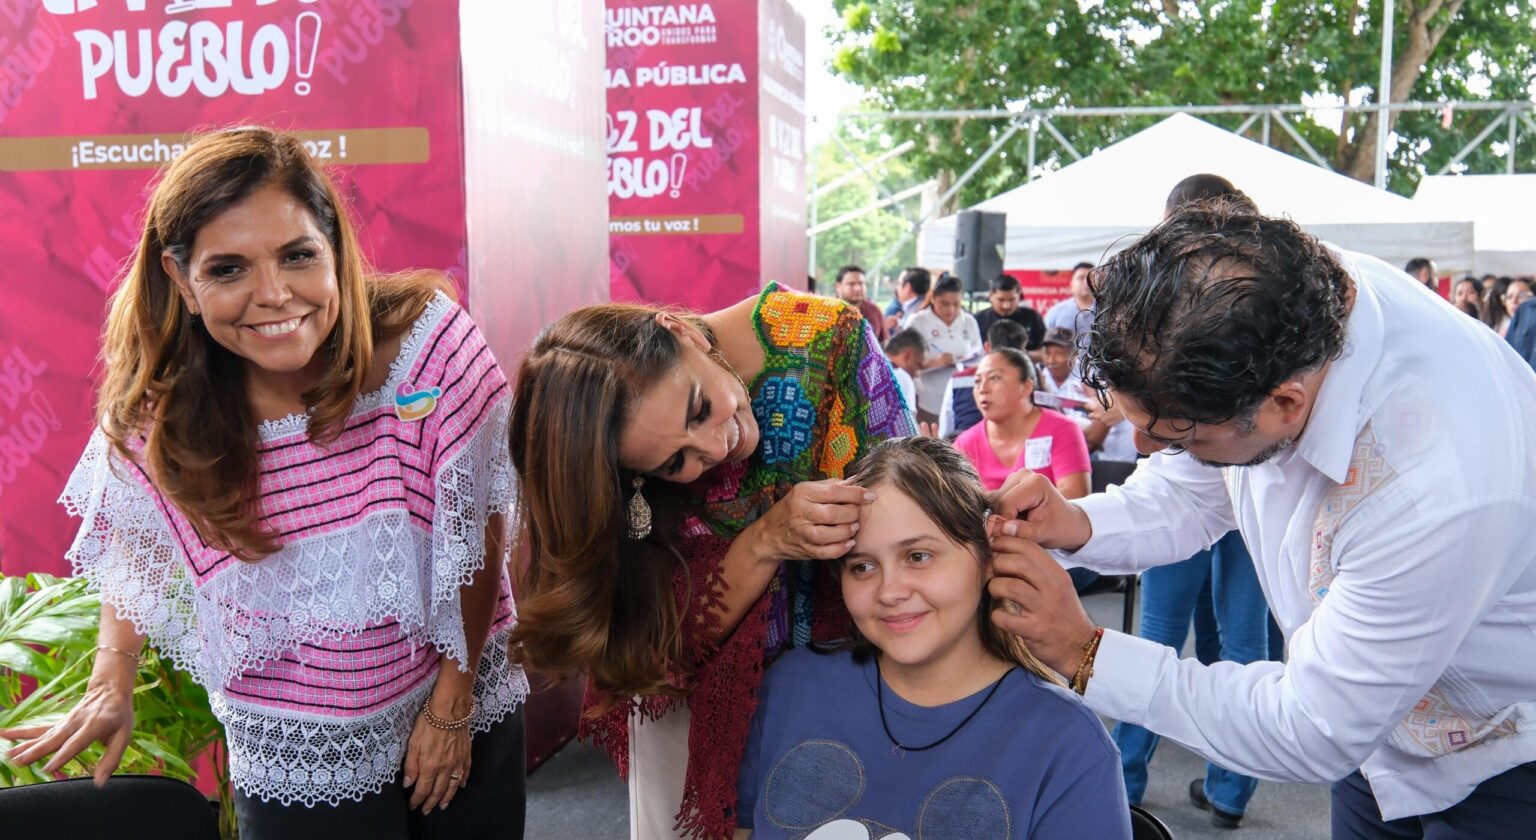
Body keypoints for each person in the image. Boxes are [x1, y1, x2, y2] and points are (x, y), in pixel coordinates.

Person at [0, 128, 529, 838]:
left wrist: (454, 702)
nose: (273, 295)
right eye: (228, 270)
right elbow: (138, 536)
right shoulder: (161, 412)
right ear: (182, 279)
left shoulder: (430, 345)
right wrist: (110, 676)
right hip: (298, 745)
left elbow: (478, 533)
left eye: (297, 255)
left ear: (334, 247)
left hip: (457, 691)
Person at [987, 201, 1536, 838]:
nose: (1144, 453)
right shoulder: (1278, 305)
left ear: (1284, 401)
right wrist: (1077, 523)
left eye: (1179, 438)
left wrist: (1085, 652)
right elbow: (1195, 490)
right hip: (1370, 747)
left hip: (1500, 757)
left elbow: (1312, 726)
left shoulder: (1434, 487)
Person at [507, 283, 914, 840]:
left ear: (678, 332)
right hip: (700, 730)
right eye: (677, 461)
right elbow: (653, 648)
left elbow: (913, 508)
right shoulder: (621, 481)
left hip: (862, 702)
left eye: (700, 407)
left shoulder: (825, 337)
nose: (717, 445)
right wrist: (765, 540)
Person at [735, 437, 1131, 840]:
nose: (890, 591)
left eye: (918, 556)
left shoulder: (1066, 744)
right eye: (863, 566)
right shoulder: (793, 686)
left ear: (989, 557)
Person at [905, 273, 983, 425]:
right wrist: (935, 363)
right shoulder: (918, 322)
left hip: (963, 397)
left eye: (956, 304)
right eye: (945, 304)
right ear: (933, 298)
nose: (951, 310)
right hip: (929, 399)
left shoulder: (968, 321)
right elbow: (906, 363)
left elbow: (978, 354)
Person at [937, 319, 1031, 439]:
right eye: (978, 382)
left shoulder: (958, 380)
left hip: (961, 450)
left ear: (987, 347)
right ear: (1022, 352)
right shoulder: (1025, 380)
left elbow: (946, 425)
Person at [973, 273, 1046, 354]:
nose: (1006, 306)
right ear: (990, 296)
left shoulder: (1032, 317)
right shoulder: (978, 320)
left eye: (1012, 300)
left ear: (1019, 296)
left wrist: (1021, 356)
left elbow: (1044, 351)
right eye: (1001, 300)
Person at [834, 265, 886, 343]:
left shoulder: (874, 310)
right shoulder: (830, 312)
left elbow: (884, 343)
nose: (858, 288)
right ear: (838, 286)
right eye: (851, 284)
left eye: (861, 283)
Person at [1044, 262, 1096, 336]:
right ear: (1071, 284)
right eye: (1081, 278)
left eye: (1091, 277)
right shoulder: (1056, 312)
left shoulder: (1106, 310)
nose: (1086, 282)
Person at [883, 327, 925, 416]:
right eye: (918, 365)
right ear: (907, 355)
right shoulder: (901, 377)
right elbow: (909, 425)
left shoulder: (869, 366)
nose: (918, 374)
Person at [882, 267, 931, 334]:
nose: (897, 288)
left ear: (908, 287)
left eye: (899, 284)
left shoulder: (914, 314)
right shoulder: (924, 307)